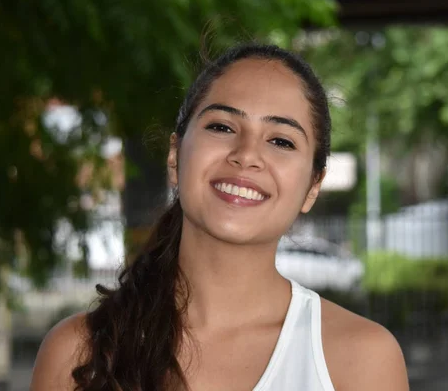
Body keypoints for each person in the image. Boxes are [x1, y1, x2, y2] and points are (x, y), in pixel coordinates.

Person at [30, 43, 409, 391]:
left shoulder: (361, 360)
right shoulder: (78, 355)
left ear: (313, 185)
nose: (246, 154)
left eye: (281, 140)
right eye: (222, 127)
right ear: (176, 157)